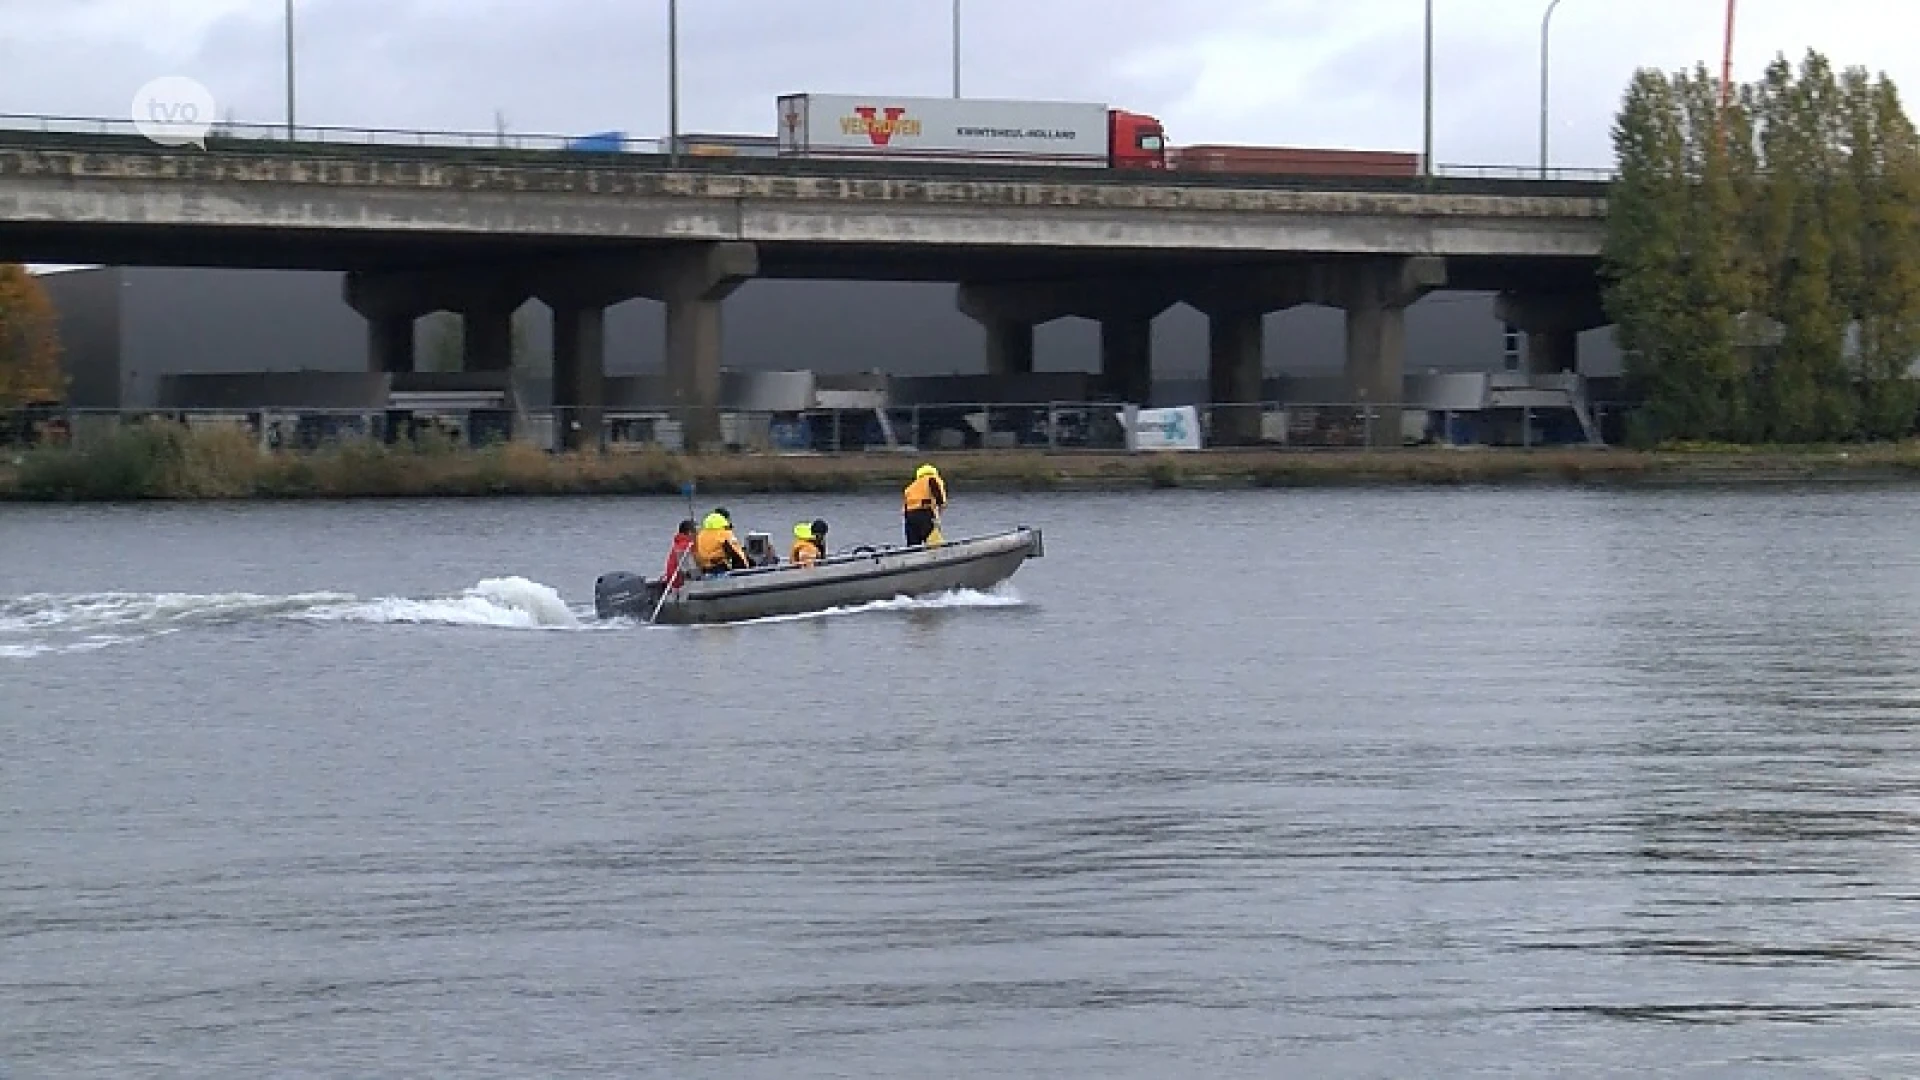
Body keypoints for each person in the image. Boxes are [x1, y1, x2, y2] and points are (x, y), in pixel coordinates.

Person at [901, 463, 947, 547]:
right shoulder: (932, 479)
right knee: (934, 542)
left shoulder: (910, 487)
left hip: (909, 517)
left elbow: (905, 505)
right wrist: (938, 517)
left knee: (913, 545)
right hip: (925, 514)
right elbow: (939, 498)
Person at [694, 511, 751, 575]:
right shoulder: (724, 533)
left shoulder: (700, 535)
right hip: (719, 568)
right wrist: (746, 570)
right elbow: (737, 554)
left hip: (705, 568)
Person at [662, 518, 697, 588]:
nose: (697, 534)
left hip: (673, 581)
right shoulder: (686, 546)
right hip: (679, 583)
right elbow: (690, 571)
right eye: (696, 532)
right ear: (690, 533)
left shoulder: (678, 544)